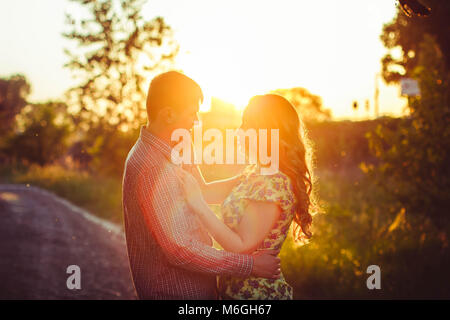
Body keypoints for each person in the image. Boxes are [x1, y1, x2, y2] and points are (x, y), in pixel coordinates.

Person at [122, 71, 281, 300]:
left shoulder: (176, 148)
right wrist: (250, 265)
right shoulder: (150, 166)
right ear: (168, 115)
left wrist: (249, 178)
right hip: (173, 293)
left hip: (199, 289)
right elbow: (180, 249)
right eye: (192, 114)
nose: (196, 121)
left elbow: (202, 192)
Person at [178, 94, 318, 299]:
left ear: (266, 132)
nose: (240, 130)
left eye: (247, 124)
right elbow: (204, 191)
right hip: (235, 290)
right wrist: (186, 148)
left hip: (257, 294)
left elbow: (241, 245)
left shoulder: (275, 183)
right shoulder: (254, 173)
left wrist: (199, 207)